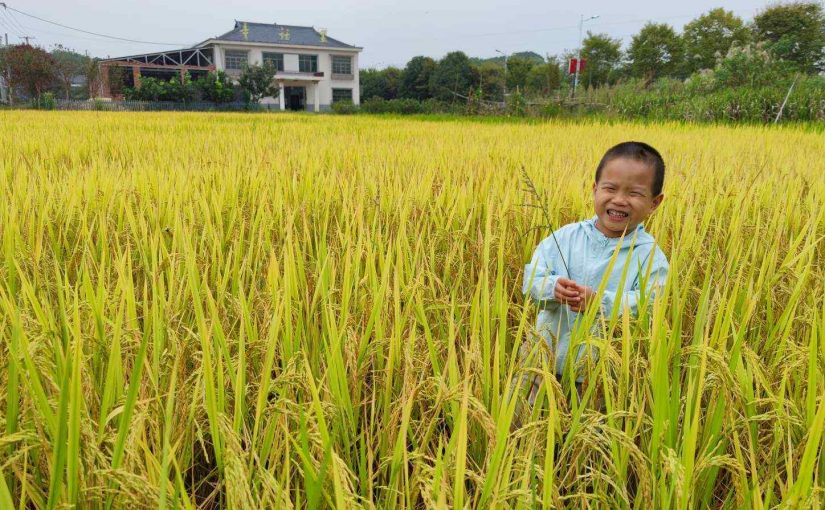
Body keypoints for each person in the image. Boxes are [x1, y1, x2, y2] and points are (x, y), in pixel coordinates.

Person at [517, 141, 670, 413]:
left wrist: (600, 303)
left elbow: (649, 308)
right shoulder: (565, 237)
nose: (619, 200)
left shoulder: (649, 257)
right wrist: (553, 288)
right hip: (540, 363)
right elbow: (530, 280)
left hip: (597, 376)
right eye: (610, 188)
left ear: (654, 203)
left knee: (582, 441)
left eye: (635, 193)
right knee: (524, 427)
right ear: (594, 189)